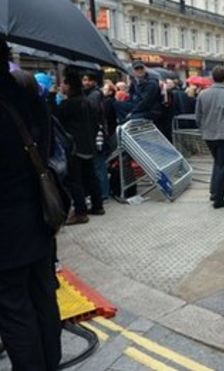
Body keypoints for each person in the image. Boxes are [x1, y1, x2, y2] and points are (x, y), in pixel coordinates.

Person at [0, 40, 62, 370]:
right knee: (43, 297)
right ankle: (51, 363)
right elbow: (48, 148)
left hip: (6, 230)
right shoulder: (30, 98)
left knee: (14, 309)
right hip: (39, 216)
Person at [58, 71, 105, 224]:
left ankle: (80, 212)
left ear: (69, 86)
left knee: (75, 179)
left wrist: (52, 97)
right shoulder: (88, 101)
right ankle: (97, 205)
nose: (61, 86)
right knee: (90, 176)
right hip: (88, 145)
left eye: (63, 83)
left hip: (75, 147)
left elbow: (57, 120)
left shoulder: (69, 104)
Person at [195, 66, 224, 208]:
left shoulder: (202, 94)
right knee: (223, 166)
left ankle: (214, 191)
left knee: (218, 163)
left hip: (208, 134)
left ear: (212, 78)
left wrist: (203, 130)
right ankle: (219, 198)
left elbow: (198, 116)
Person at [83, 72, 110, 200]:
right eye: (83, 80)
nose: (85, 82)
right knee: (99, 165)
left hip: (96, 134)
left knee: (99, 165)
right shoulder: (95, 94)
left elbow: (91, 115)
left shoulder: (93, 95)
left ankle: (103, 193)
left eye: (87, 79)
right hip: (99, 133)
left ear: (93, 81)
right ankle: (103, 192)